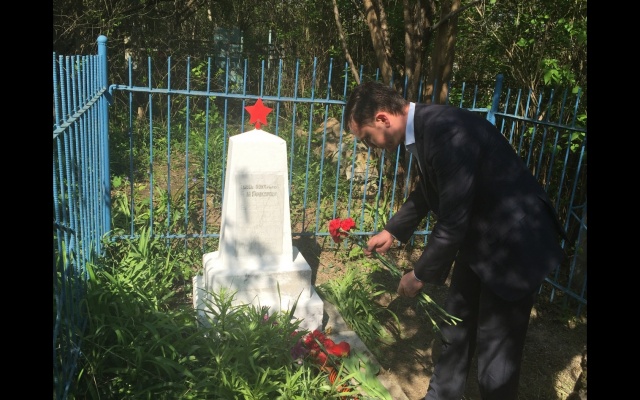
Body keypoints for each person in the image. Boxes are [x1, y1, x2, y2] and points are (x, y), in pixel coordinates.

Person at [343, 81, 566, 400]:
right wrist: (392, 230)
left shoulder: (446, 132)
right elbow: (429, 190)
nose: (369, 145)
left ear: (382, 119)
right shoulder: (426, 128)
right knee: (455, 325)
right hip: (480, 240)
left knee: (496, 352)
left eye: (367, 138)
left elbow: (452, 221)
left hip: (514, 245)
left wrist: (419, 274)